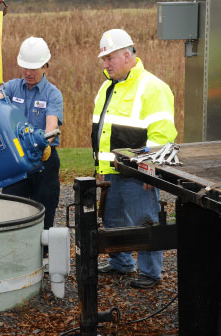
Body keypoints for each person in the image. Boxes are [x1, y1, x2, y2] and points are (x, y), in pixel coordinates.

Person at [91, 29, 178, 289]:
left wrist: (151, 170)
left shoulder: (153, 87)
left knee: (145, 221)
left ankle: (151, 273)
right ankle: (121, 263)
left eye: (110, 59)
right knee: (113, 220)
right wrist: (99, 167)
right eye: (104, 60)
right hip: (111, 171)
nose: (105, 64)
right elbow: (101, 131)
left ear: (127, 56)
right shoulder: (108, 87)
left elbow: (163, 134)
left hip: (138, 173)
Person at [0, 36, 63, 258]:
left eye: (33, 68)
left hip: (43, 160)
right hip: (14, 162)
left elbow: (51, 125)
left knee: (45, 211)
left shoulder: (52, 94)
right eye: (25, 67)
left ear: (45, 66)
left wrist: (45, 142)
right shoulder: (12, 88)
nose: (28, 72)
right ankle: (14, 255)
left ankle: (41, 258)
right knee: (13, 208)